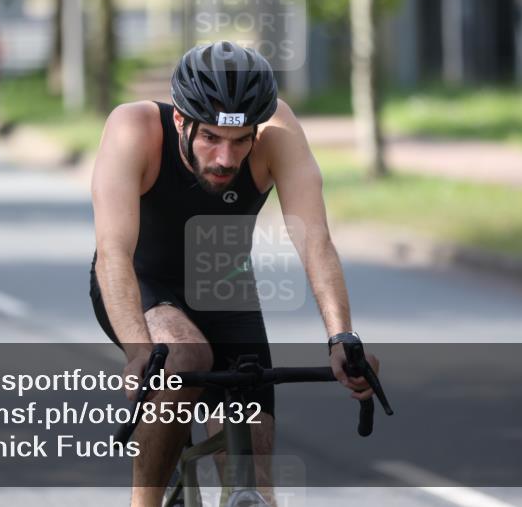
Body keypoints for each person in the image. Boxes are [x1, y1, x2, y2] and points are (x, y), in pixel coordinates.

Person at [89, 40, 379, 506]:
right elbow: (113, 255)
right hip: (141, 286)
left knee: (254, 472)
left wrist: (341, 336)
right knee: (184, 357)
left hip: (225, 292)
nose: (227, 158)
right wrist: (139, 351)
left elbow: (316, 240)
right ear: (181, 120)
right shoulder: (134, 129)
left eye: (241, 139)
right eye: (211, 138)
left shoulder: (279, 132)